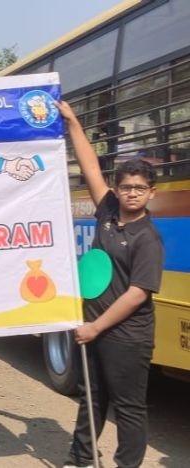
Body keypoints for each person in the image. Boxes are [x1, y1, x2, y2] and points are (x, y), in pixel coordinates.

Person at [56, 101, 164, 468]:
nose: (132, 193)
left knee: (128, 407)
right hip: (95, 328)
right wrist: (73, 123)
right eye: (126, 187)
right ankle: (81, 458)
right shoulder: (107, 213)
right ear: (117, 190)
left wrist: (96, 327)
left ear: (151, 193)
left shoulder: (147, 238)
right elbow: (90, 168)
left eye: (140, 188)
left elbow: (137, 294)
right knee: (91, 396)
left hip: (126, 336)